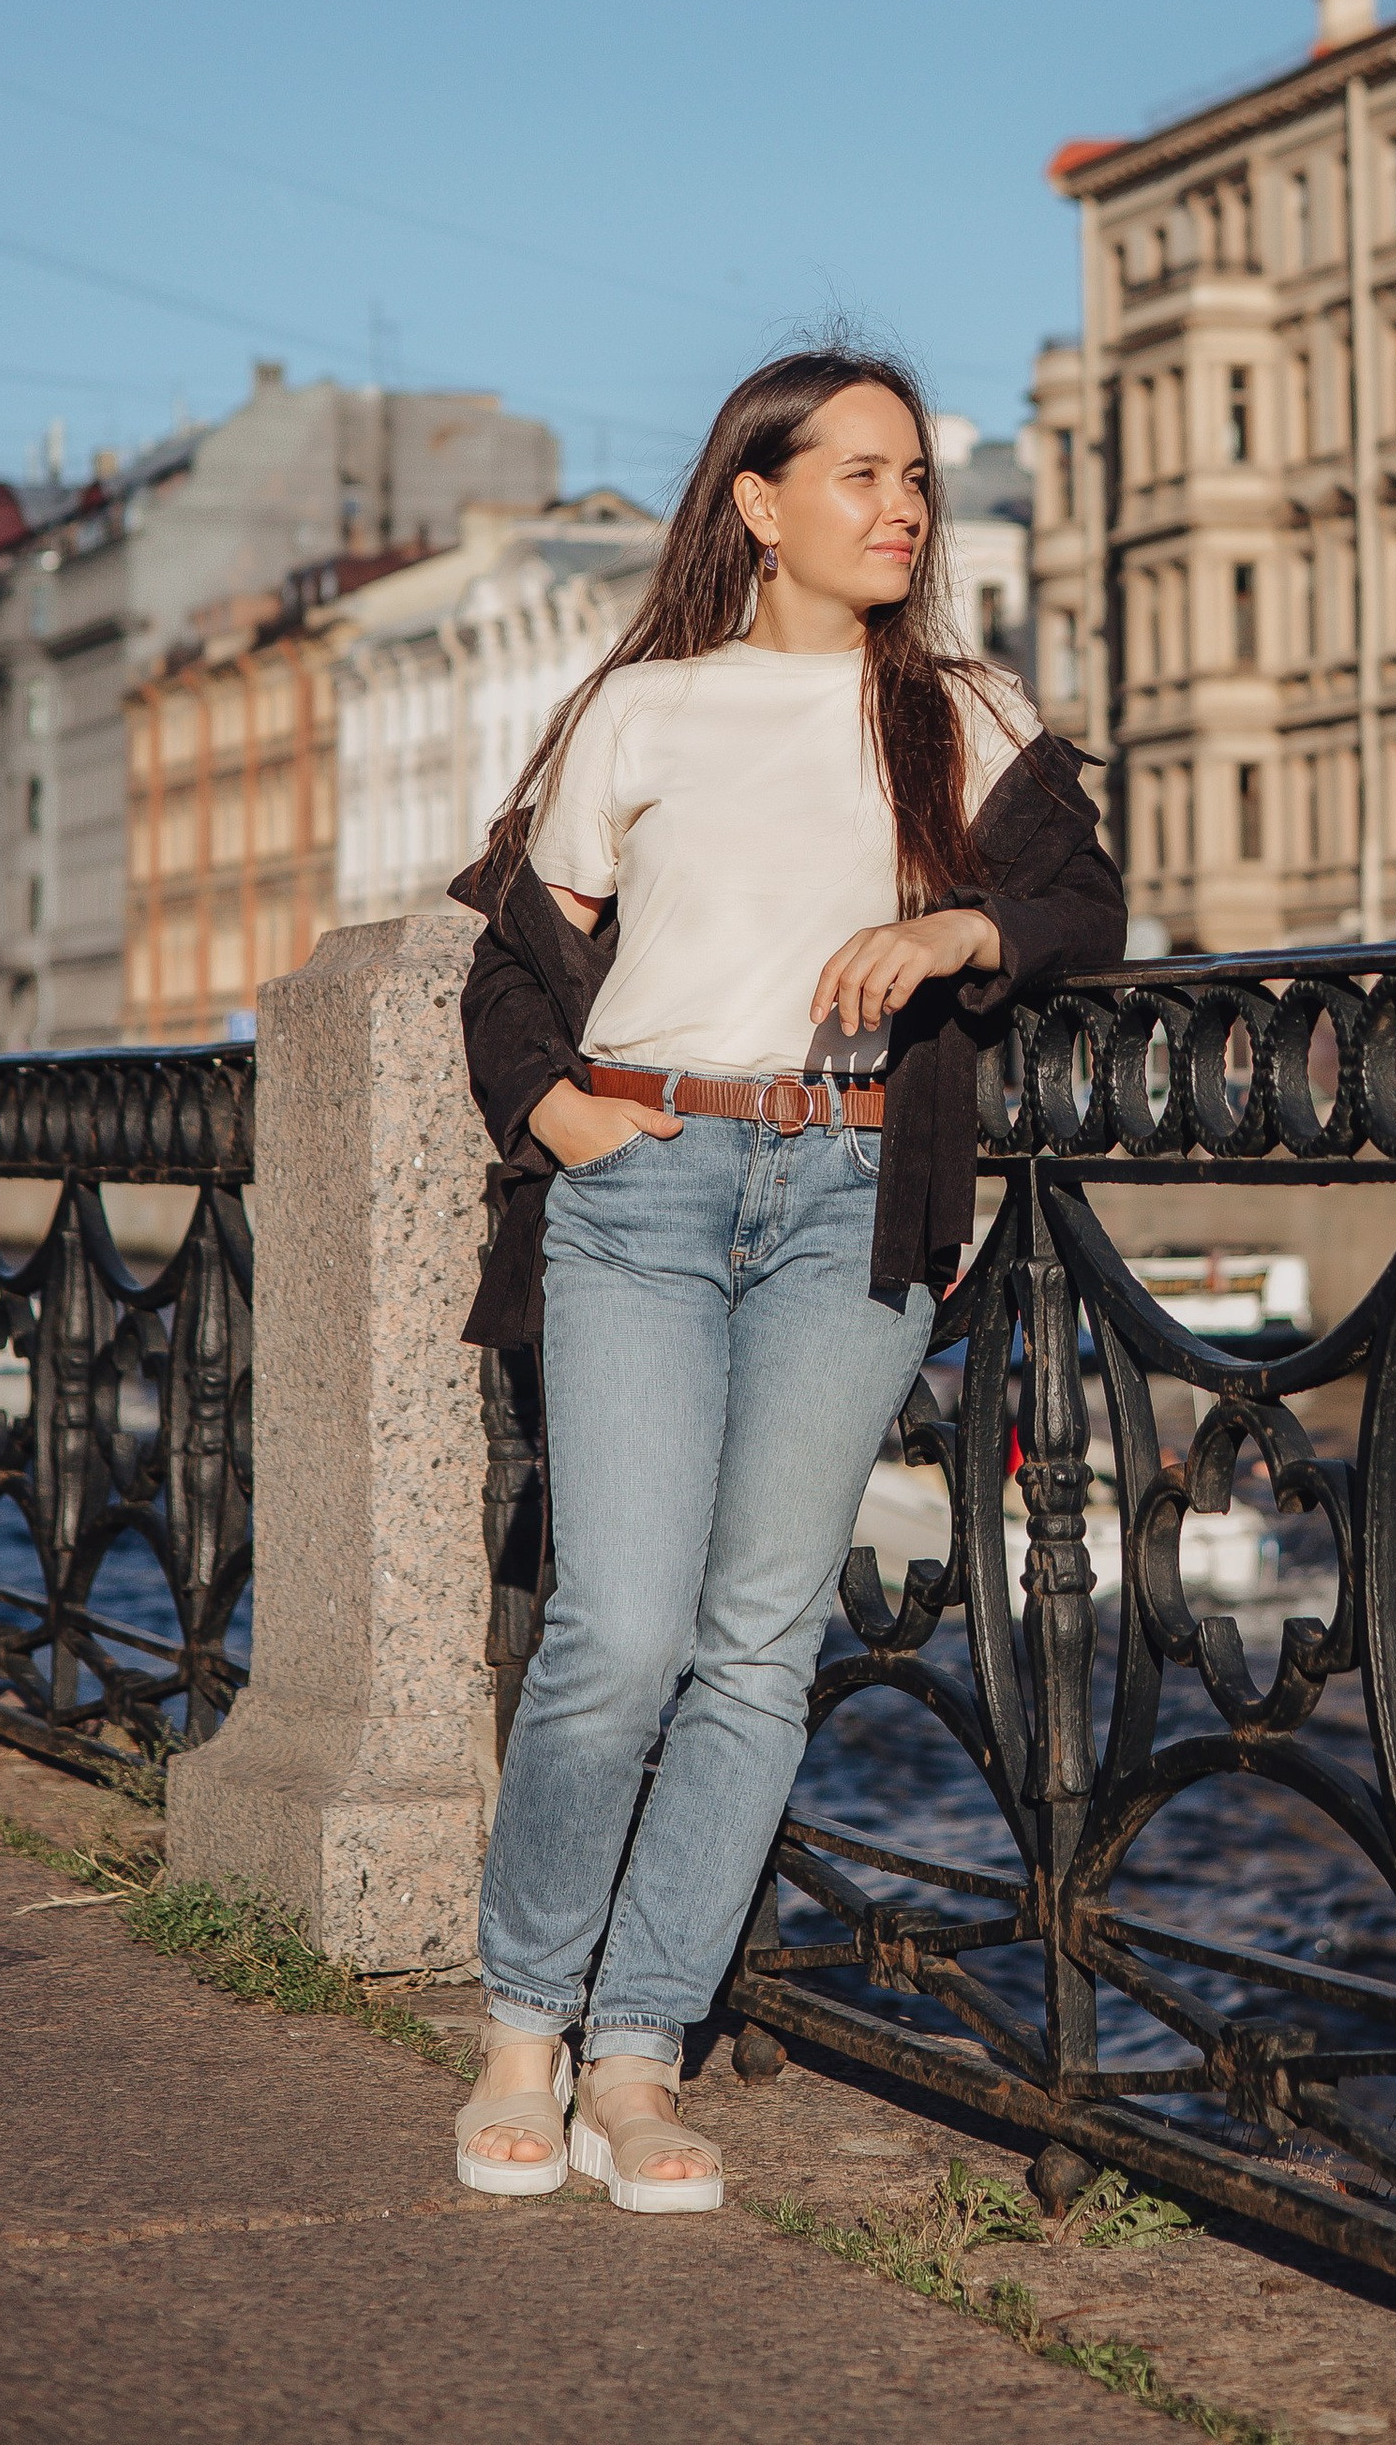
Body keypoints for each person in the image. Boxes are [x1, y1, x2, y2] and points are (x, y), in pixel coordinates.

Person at [444, 344, 1124, 2210]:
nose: (903, 505)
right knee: (621, 1631)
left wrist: (958, 923)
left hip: (854, 1194)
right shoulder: (639, 712)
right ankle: (526, 2029)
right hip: (647, 1188)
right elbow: (507, 957)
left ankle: (640, 2057)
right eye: (862, 474)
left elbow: (1087, 910)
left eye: (916, 477)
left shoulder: (965, 713)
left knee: (758, 1646)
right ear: (758, 501)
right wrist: (556, 1110)